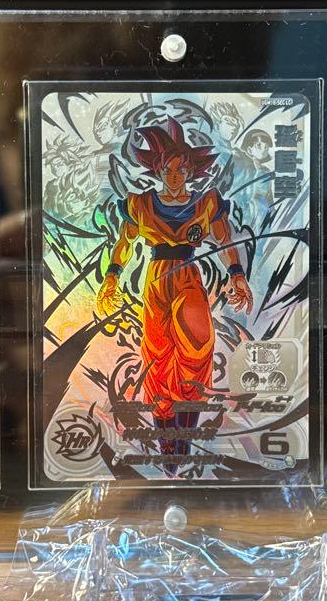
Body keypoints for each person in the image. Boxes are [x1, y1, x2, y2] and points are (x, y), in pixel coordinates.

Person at [95, 117, 253, 458]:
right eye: (168, 170)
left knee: (196, 348)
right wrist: (111, 276)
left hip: (188, 277)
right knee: (158, 357)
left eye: (181, 170)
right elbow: (124, 243)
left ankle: (185, 431)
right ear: (159, 171)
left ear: (191, 171)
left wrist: (237, 274)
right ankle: (170, 445)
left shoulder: (207, 203)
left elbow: (225, 241)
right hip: (156, 282)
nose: (175, 176)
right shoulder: (140, 204)